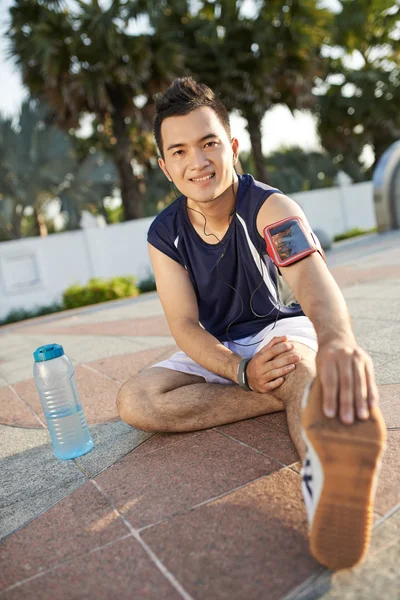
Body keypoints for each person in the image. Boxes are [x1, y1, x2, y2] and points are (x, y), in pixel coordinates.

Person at [116, 78, 386, 570]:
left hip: (276, 329)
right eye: (179, 151)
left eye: (209, 143)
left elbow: (311, 281)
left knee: (300, 371)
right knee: (136, 401)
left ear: (232, 147)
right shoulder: (164, 235)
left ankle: (324, 476)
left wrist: (339, 340)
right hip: (222, 349)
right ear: (165, 167)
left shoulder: (270, 208)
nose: (197, 161)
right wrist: (241, 370)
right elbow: (184, 324)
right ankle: (281, 393)